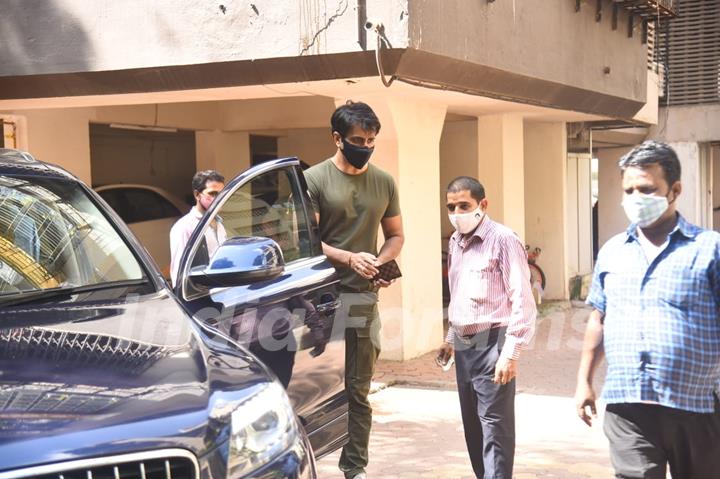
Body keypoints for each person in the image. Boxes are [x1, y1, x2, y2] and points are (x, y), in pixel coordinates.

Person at [574, 141, 720, 479]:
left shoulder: (709, 249)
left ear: (675, 190)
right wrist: (584, 381)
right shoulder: (612, 252)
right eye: (629, 190)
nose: (636, 198)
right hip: (628, 408)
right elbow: (598, 318)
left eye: (647, 189)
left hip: (696, 408)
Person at [304, 100, 404, 479]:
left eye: (371, 140)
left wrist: (378, 262)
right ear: (337, 138)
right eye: (358, 139)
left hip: (363, 298)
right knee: (310, 389)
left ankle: (354, 468)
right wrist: (348, 258)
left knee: (358, 389)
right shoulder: (314, 180)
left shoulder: (384, 181)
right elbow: (309, 243)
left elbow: (395, 235)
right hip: (319, 301)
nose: (365, 145)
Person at [436, 176, 536, 479]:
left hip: (495, 343)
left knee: (495, 428)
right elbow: (459, 293)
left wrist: (511, 352)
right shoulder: (455, 242)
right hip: (465, 347)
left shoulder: (504, 239)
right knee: (474, 430)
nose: (457, 213)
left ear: (483, 204)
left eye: (464, 206)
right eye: (451, 207)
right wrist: (451, 337)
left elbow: (522, 298)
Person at [169, 170, 226, 286]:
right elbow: (178, 274)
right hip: (201, 295)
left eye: (222, 194)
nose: (218, 198)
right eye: (213, 193)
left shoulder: (219, 224)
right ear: (197, 195)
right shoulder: (184, 227)